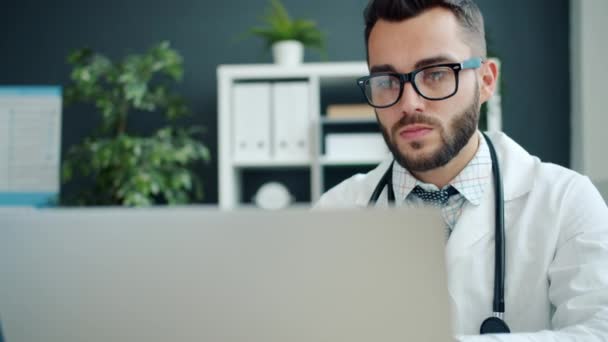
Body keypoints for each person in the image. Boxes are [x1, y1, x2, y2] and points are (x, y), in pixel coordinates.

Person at [315, 0, 608, 340]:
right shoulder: (335, 212)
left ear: (485, 80)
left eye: (436, 74)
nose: (408, 102)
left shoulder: (566, 201)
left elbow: (599, 330)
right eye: (387, 80)